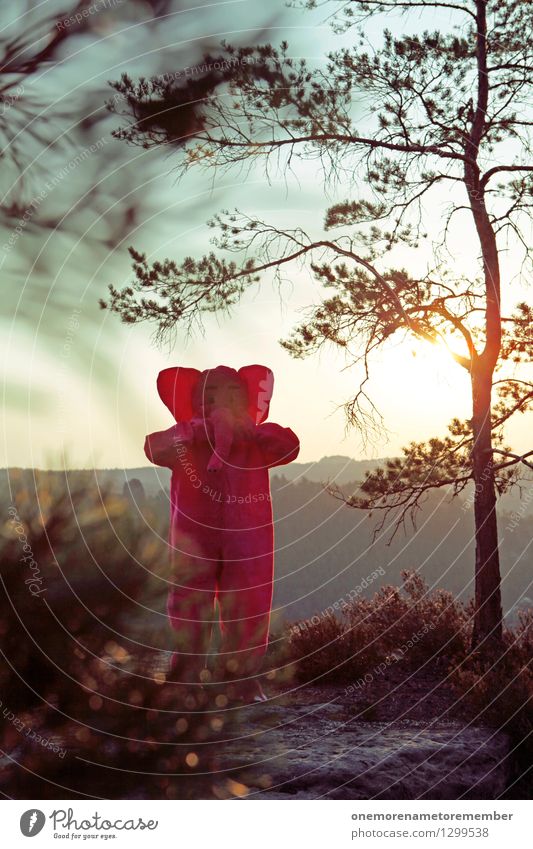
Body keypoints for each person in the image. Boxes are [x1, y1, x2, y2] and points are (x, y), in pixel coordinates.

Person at [144, 364, 300, 703]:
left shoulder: (254, 442)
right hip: (193, 539)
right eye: (209, 396)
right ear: (195, 402)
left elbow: (290, 447)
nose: (220, 403)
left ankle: (242, 680)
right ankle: (186, 677)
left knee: (249, 603)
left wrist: (256, 433)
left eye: (233, 395)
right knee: (188, 603)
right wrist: (192, 431)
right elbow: (153, 447)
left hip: (248, 537)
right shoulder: (186, 440)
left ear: (247, 400)